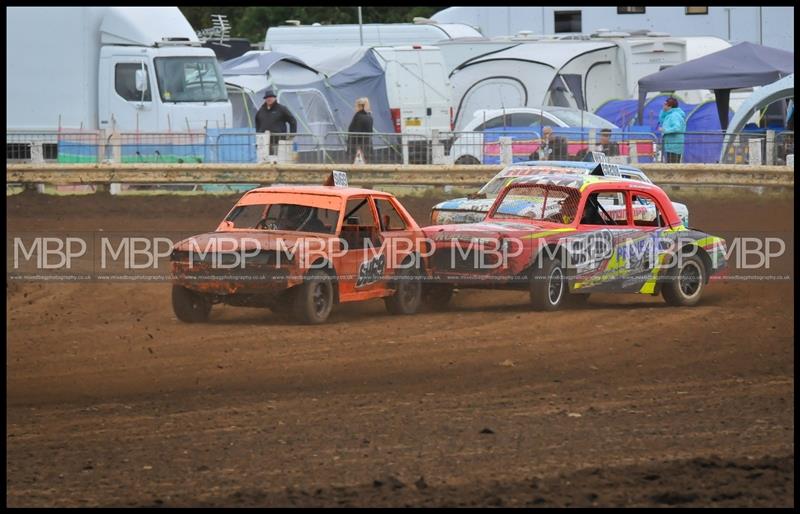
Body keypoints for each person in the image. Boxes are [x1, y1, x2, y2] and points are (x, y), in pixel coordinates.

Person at [255, 90, 297, 155]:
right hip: (264, 142)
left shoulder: (282, 109)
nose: (269, 99)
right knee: (264, 160)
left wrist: (292, 135)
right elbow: (257, 122)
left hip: (278, 141)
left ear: (275, 98)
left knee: (278, 159)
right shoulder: (261, 110)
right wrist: (258, 134)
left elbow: (292, 120)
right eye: (267, 97)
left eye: (271, 97)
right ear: (265, 99)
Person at [347, 97, 374, 164]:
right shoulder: (369, 116)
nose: (355, 107)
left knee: (355, 162)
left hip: (357, 144)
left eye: (356, 106)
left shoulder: (358, 116)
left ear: (359, 106)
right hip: (367, 143)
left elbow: (355, 130)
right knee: (367, 160)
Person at [660, 97, 686, 163]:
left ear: (670, 106)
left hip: (673, 146)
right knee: (673, 166)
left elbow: (677, 127)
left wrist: (665, 130)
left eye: (665, 104)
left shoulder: (674, 115)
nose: (663, 106)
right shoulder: (671, 114)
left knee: (672, 167)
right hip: (672, 146)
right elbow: (661, 119)